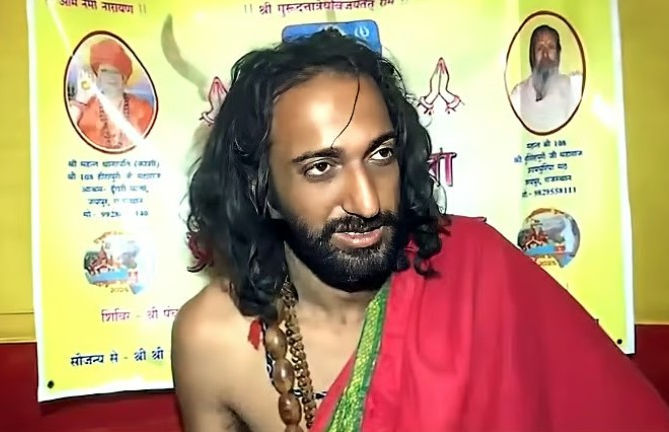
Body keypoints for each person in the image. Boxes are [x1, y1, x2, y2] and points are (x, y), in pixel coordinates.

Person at [172, 30, 669, 432]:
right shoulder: (214, 341)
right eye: (321, 167)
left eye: (381, 154)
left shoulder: (479, 272)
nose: (368, 203)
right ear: (261, 190)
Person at [68, 38, 154, 151]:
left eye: (115, 72)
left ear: (124, 78)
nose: (110, 78)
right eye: (104, 72)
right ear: (97, 76)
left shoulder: (142, 109)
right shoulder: (86, 109)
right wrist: (81, 98)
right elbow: (66, 142)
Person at [509, 24, 583, 133]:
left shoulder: (576, 86)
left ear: (558, 54)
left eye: (551, 47)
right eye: (540, 48)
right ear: (532, 55)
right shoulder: (518, 96)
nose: (545, 54)